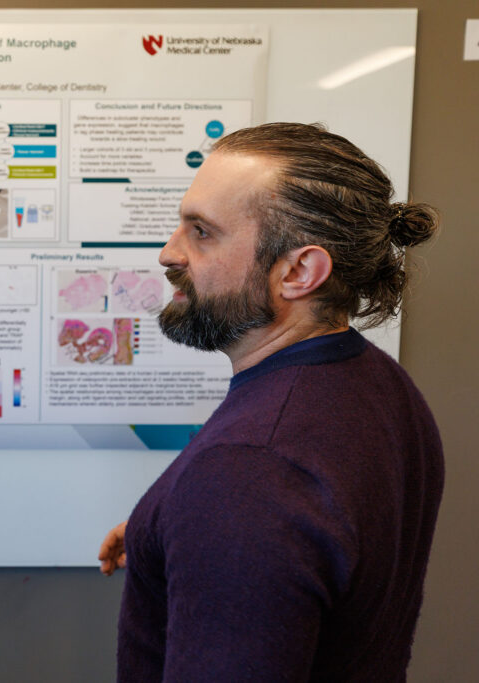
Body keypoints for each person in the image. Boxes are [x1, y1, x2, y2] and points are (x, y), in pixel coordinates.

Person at [98, 122, 443, 682]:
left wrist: (226, 517)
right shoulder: (376, 382)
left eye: (202, 232)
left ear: (298, 272)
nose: (169, 253)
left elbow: (263, 487)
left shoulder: (249, 476)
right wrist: (178, 528)